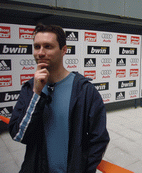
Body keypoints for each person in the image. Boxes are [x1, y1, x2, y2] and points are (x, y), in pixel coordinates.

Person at [8, 23, 110, 173]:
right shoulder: (29, 88)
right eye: (37, 47)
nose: (40, 53)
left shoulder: (84, 90)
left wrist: (84, 169)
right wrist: (36, 93)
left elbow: (99, 138)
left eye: (48, 46)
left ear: (63, 50)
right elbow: (18, 135)